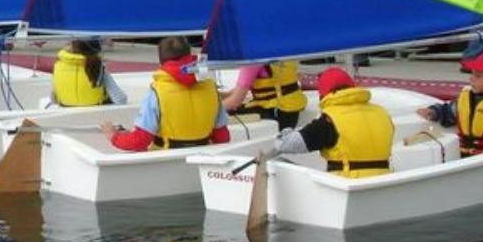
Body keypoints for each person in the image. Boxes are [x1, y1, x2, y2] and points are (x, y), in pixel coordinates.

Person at [102, 37, 231, 151]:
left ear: (160, 62)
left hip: (166, 155)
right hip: (202, 157)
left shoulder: (157, 92)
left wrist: (114, 136)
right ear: (190, 55)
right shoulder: (211, 88)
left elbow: (140, 141)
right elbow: (222, 137)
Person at [265, 67, 394, 178]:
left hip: (346, 182)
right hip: (384, 181)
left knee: (279, 161)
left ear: (323, 95)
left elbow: (286, 144)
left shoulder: (329, 121)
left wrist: (286, 131)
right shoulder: (382, 113)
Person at [221, 58, 307, 129]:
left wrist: (215, 109)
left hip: (274, 112)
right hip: (291, 111)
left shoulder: (252, 60)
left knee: (226, 113)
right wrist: (218, 95)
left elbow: (235, 101)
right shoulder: (282, 51)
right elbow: (239, 90)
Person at [50, 38, 128, 107]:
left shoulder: (57, 65)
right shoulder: (98, 66)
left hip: (66, 106)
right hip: (95, 108)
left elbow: (54, 98)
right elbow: (120, 99)